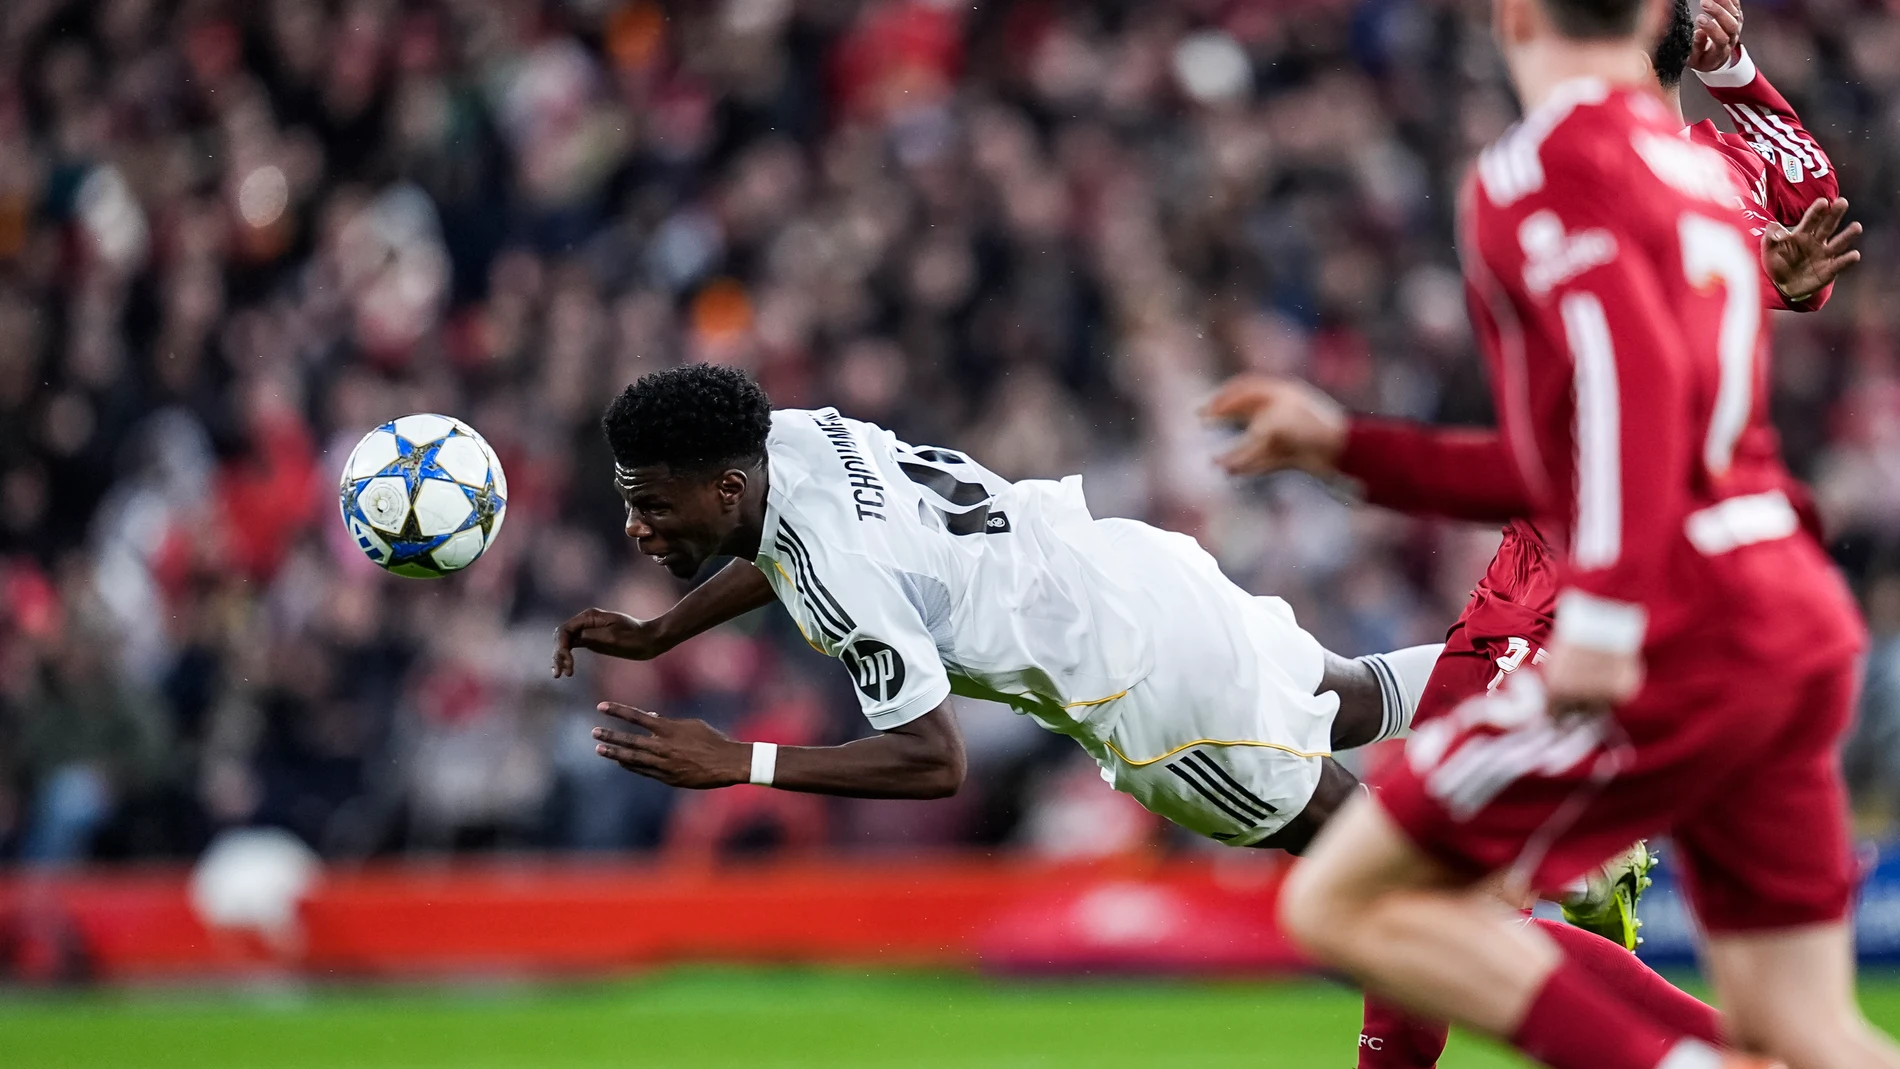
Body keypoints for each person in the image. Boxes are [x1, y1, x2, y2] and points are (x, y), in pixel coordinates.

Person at [1225, 0, 1889, 1060]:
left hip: (1591, 587)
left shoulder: (1544, 170)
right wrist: (1347, 446)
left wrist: (1607, 626)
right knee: (1807, 1028)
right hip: (1780, 598)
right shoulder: (1707, 173)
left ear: (1515, 19)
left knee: (1375, 899)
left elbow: (1624, 394)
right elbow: (1804, 204)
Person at [550, 362, 1442, 856]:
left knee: (1376, 871)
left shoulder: (839, 577)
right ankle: (1522, 671)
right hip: (1134, 571)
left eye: (652, 504)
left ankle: (1537, 926)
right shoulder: (794, 432)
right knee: (1356, 696)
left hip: (1153, 696)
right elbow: (783, 546)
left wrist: (738, 760)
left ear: (726, 486)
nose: (635, 526)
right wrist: (661, 632)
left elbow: (934, 760)